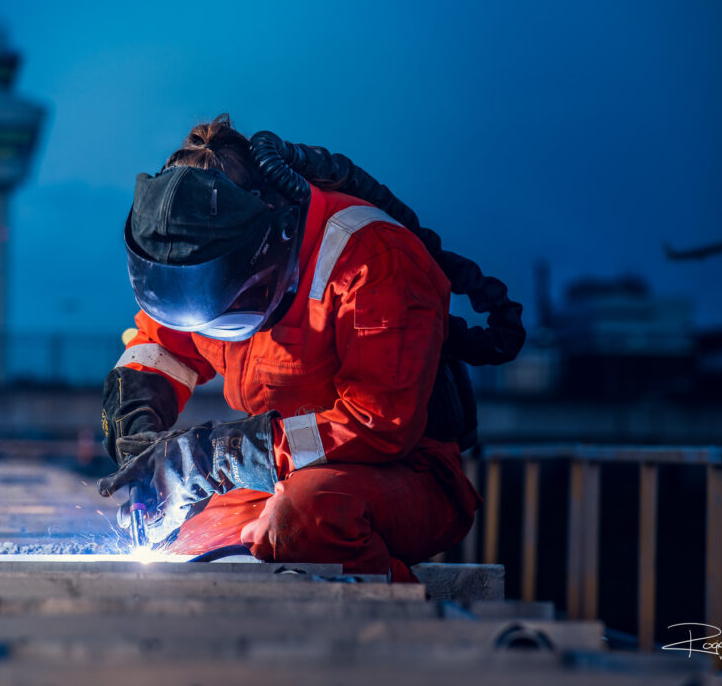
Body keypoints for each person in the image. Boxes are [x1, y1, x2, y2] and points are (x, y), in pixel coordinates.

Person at [99, 115, 520, 581]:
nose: (212, 327)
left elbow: (378, 424)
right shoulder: (206, 261)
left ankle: (400, 633)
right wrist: (137, 429)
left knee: (307, 519)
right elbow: (159, 347)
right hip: (275, 474)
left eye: (222, 313)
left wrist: (222, 455)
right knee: (189, 549)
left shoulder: (375, 259)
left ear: (270, 242)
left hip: (399, 472)